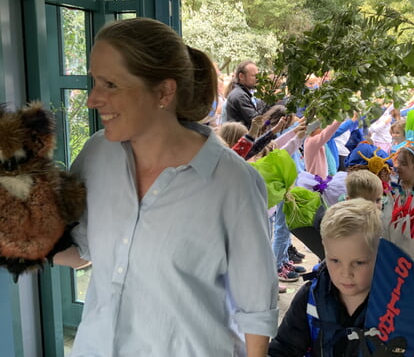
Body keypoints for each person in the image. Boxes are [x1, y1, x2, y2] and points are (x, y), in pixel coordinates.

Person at [54, 18, 277, 357]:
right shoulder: (98, 155)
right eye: (94, 82)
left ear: (164, 92)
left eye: (110, 84)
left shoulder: (232, 183)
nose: (92, 100)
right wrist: (24, 237)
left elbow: (257, 309)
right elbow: (83, 253)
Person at [268, 198, 383, 356]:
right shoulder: (311, 296)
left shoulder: (394, 302)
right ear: (325, 249)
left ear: (380, 255)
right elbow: (284, 347)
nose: (345, 273)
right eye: (335, 260)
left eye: (359, 262)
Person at [226, 60, 261, 128]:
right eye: (253, 76)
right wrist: (269, 101)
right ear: (241, 76)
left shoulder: (242, 93)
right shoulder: (240, 96)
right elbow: (256, 120)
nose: (257, 79)